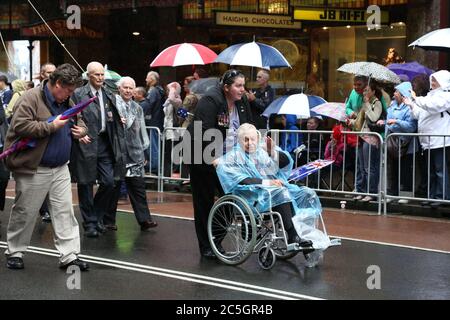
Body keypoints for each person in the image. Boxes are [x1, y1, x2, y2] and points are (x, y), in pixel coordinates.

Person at [3, 63, 89, 271]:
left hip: (60, 166)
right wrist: (50, 126)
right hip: (35, 166)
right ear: (57, 84)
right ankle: (15, 251)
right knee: (25, 211)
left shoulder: (68, 98)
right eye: (68, 90)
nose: (70, 94)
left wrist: (81, 131)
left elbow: (80, 119)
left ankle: (69, 255)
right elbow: (20, 126)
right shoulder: (30, 98)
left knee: (64, 211)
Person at [185, 69, 253, 259]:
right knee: (204, 202)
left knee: (231, 198)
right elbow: (203, 131)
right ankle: (206, 246)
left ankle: (214, 238)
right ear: (226, 87)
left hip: (228, 158)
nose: (242, 89)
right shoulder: (211, 100)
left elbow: (248, 127)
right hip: (201, 155)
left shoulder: (242, 102)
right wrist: (213, 158)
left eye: (243, 85)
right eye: (238, 86)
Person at [216, 123, 320, 246]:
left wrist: (272, 152)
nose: (250, 143)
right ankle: (293, 235)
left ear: (258, 139)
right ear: (239, 140)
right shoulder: (233, 157)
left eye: (253, 139)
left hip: (270, 192)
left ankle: (308, 235)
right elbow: (241, 180)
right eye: (246, 140)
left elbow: (286, 162)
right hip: (252, 197)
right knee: (282, 193)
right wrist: (269, 183)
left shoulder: (262, 150)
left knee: (307, 193)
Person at [71, 61, 125, 237]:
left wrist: (118, 120)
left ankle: (96, 216)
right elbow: (73, 116)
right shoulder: (79, 94)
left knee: (109, 182)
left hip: (104, 143)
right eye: (97, 74)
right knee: (86, 183)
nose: (101, 78)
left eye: (102, 75)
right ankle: (90, 224)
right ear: (88, 76)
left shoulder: (108, 93)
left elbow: (111, 115)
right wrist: (79, 133)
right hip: (86, 142)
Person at [104, 77, 158, 230]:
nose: (128, 90)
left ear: (134, 90)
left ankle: (145, 220)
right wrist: (115, 120)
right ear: (119, 89)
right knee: (114, 189)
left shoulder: (138, 107)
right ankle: (108, 221)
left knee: (138, 189)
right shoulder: (112, 105)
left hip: (135, 153)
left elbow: (142, 130)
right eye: (125, 87)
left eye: (130, 88)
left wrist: (144, 150)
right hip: (117, 153)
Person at [403, 70, 450, 206]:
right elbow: (420, 114)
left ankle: (442, 197)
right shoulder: (429, 96)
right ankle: (432, 196)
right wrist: (411, 104)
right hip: (428, 141)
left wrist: (416, 99)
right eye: (432, 80)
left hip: (440, 141)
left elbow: (433, 106)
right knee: (431, 171)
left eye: (436, 80)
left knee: (440, 170)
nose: (433, 83)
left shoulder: (446, 96)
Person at [378, 82, 417, 204]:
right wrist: (384, 122)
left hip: (405, 144)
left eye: (396, 92)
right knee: (393, 170)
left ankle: (406, 194)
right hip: (392, 143)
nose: (394, 94)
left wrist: (396, 122)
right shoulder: (392, 105)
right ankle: (392, 193)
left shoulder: (410, 107)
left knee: (405, 170)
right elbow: (389, 122)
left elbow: (411, 126)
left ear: (403, 94)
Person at [348, 81, 385, 202]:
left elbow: (374, 117)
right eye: (364, 91)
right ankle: (360, 190)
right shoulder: (364, 103)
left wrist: (367, 105)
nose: (365, 93)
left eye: (367, 90)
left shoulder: (377, 102)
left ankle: (371, 192)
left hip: (371, 138)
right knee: (361, 166)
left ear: (373, 92)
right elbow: (360, 120)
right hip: (361, 137)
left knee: (370, 167)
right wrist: (351, 122)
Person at [144, 71, 165, 174]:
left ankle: (154, 168)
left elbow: (148, 105)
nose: (146, 80)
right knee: (155, 146)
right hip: (157, 122)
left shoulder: (153, 91)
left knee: (153, 147)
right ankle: (155, 167)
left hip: (153, 123)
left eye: (147, 78)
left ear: (152, 79)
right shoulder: (160, 90)